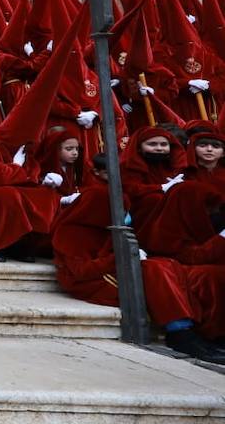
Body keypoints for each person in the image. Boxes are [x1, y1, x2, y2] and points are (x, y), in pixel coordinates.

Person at [52, 154, 225, 364]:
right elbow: (80, 272)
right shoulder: (71, 233)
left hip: (111, 271)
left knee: (166, 267)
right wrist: (123, 257)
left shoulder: (104, 229)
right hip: (93, 282)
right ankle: (179, 332)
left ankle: (193, 330)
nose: (123, 215)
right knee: (155, 269)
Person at [0, 17, 81, 261]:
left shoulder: (23, 149)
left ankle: (26, 245)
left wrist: (46, 183)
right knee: (8, 196)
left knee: (44, 197)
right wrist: (19, 168)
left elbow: (30, 176)